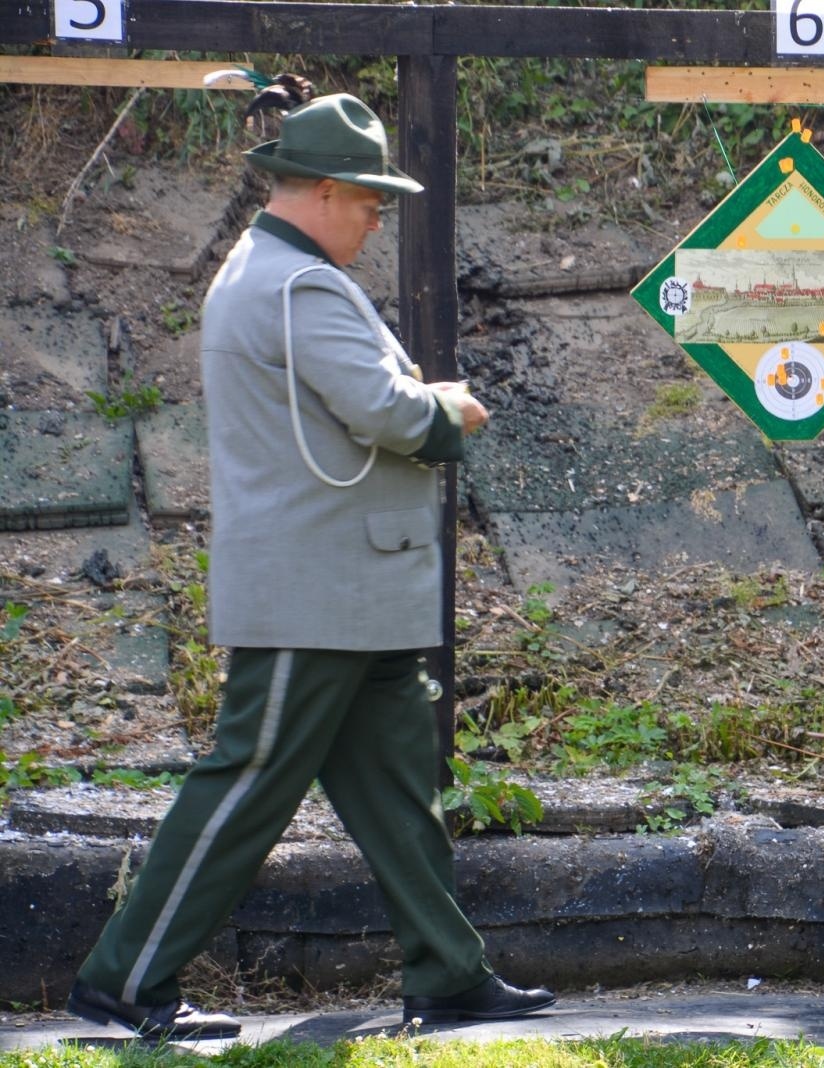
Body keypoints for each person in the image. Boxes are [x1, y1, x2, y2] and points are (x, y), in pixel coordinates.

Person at [67, 92, 555, 1040]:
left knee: (396, 793)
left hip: (345, 592)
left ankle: (449, 974)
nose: (376, 220)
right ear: (324, 189)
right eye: (369, 201)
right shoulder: (300, 286)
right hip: (317, 592)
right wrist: (450, 411)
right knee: (248, 781)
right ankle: (126, 978)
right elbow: (385, 412)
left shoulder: (270, 274)